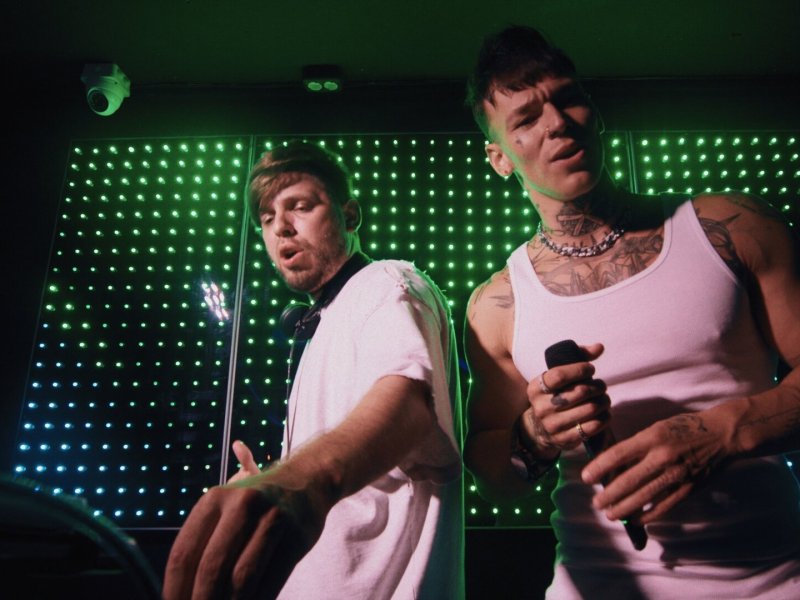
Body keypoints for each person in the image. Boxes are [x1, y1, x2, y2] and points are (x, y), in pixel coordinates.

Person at [463, 25, 800, 598]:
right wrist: (536, 434)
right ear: (499, 158)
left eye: (568, 98)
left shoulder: (734, 227)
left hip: (773, 579)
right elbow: (494, 477)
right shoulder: (496, 304)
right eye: (526, 119)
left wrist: (722, 432)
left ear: (594, 112)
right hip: (597, 584)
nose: (557, 123)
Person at [163, 141, 464, 599]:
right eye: (266, 218)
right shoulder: (325, 321)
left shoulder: (386, 283)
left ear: (350, 215)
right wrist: (269, 479)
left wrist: (298, 482)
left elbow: (410, 406)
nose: (281, 227)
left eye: (300, 206)